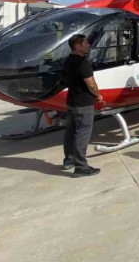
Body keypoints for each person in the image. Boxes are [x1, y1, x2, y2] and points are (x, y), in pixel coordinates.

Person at [61, 34, 103, 177]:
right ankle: (81, 167)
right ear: (78, 46)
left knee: (71, 132)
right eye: (85, 43)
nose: (88, 45)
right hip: (83, 103)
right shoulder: (82, 63)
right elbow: (91, 83)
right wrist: (98, 96)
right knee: (82, 134)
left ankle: (69, 160)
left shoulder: (68, 61)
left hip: (72, 101)